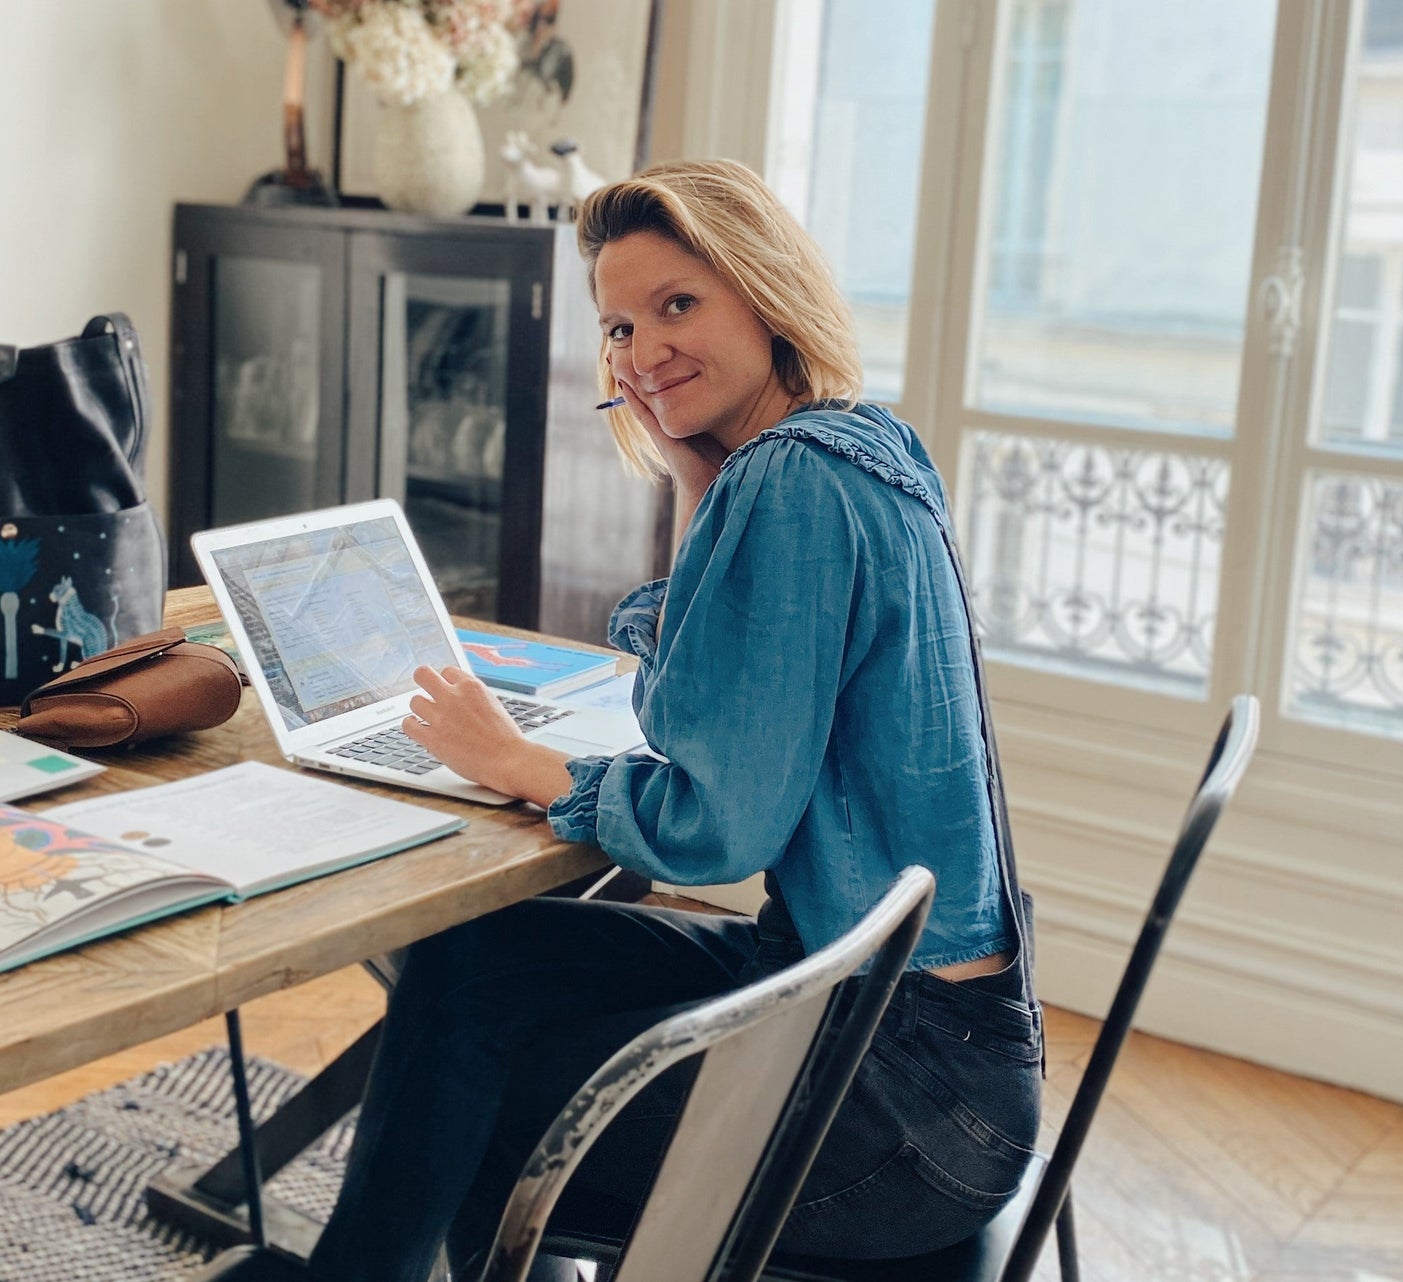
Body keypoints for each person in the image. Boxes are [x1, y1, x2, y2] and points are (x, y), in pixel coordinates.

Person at [304, 159, 1042, 1282]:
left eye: (676, 306)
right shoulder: (856, 443)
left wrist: (517, 762)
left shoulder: (788, 486)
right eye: (616, 327)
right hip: (922, 1032)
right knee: (473, 966)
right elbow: (711, 706)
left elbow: (714, 827)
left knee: (482, 1083)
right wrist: (697, 483)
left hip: (899, 1098)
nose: (640, 354)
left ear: (762, 290)